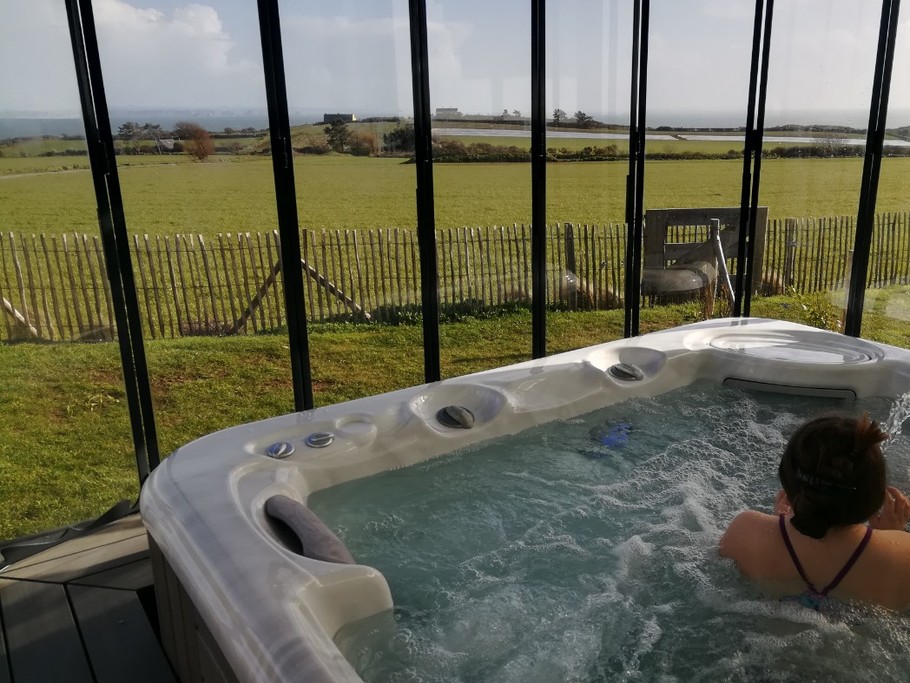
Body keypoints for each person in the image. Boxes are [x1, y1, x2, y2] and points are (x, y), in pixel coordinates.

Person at [719, 412, 910, 610]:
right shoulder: (904, 556)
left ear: (787, 477)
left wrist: (782, 523)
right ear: (873, 495)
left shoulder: (746, 531)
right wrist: (893, 534)